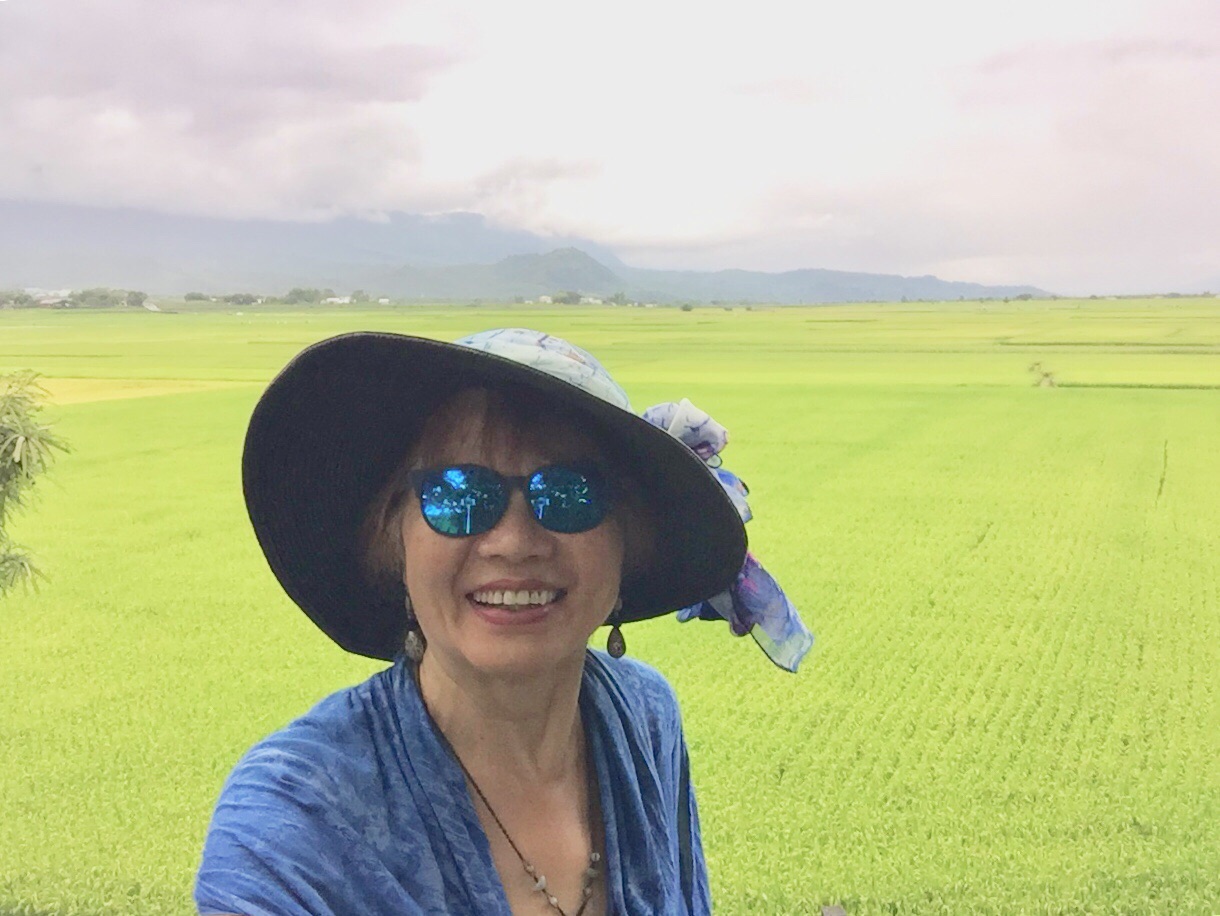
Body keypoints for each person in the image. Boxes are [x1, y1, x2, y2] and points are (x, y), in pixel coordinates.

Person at [195, 328, 812, 915]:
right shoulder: (290, 821)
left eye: (568, 494)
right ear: (394, 539)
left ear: (628, 542)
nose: (514, 542)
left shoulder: (645, 717)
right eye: (458, 495)